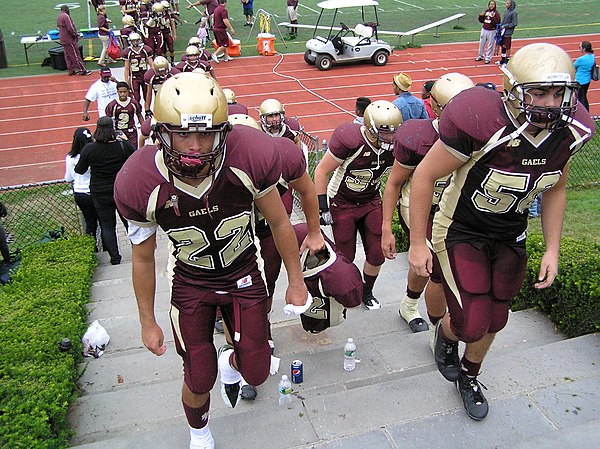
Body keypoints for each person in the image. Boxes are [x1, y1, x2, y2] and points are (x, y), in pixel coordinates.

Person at [113, 72, 308, 449]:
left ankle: (231, 364)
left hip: (243, 272)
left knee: (257, 372)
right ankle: (199, 432)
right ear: (161, 133)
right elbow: (141, 259)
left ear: (224, 132)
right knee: (198, 376)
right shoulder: (140, 180)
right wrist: (146, 320)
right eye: (184, 134)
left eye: (205, 134)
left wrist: (296, 282)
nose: (195, 146)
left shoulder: (249, 154)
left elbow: (281, 220)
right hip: (191, 282)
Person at [407, 43, 594, 421]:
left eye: (559, 93)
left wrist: (553, 249)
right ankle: (446, 334)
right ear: (513, 90)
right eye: (539, 92)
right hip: (462, 228)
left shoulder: (569, 132)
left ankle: (470, 377)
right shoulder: (482, 121)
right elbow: (425, 175)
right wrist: (416, 242)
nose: (550, 104)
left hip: (510, 230)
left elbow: (556, 186)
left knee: (497, 318)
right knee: (471, 321)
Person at [381, 73, 475, 340]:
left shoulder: (481, 135)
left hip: (455, 207)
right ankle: (439, 332)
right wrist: (387, 227)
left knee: (427, 264)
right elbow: (394, 184)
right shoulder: (417, 136)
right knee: (437, 268)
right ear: (436, 108)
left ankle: (409, 304)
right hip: (420, 206)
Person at [314, 100, 403, 310]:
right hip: (342, 202)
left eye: (394, 131)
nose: (392, 137)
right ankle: (345, 288)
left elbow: (402, 177)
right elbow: (320, 171)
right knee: (347, 256)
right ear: (372, 129)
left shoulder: (394, 147)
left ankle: (367, 291)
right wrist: (323, 207)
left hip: (371, 200)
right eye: (386, 131)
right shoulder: (351, 140)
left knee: (376, 254)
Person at [75, 116, 136, 265]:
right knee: (130, 223)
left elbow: (80, 170)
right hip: (120, 190)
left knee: (107, 226)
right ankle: (139, 252)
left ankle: (115, 257)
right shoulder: (123, 146)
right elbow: (135, 161)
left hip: (100, 192)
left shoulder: (89, 149)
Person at [64, 128, 101, 245]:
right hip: (97, 191)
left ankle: (92, 249)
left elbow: (68, 178)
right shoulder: (95, 153)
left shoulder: (70, 158)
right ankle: (109, 250)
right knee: (105, 224)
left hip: (81, 193)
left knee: (90, 224)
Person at [105, 81, 144, 149]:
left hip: (131, 131)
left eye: (124, 92)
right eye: (120, 92)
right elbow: (109, 119)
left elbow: (139, 115)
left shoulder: (133, 103)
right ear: (117, 92)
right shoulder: (113, 105)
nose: (123, 94)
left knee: (133, 150)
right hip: (118, 131)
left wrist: (144, 128)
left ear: (128, 91)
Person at [56, 5, 91, 76]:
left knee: (68, 56)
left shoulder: (59, 16)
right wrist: (75, 34)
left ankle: (71, 70)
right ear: (67, 9)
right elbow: (70, 28)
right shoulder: (66, 16)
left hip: (63, 39)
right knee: (75, 55)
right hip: (69, 39)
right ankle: (82, 70)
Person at [122, 32, 154, 104]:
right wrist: (126, 81)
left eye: (136, 40)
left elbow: (151, 65)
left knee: (147, 96)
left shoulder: (146, 49)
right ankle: (138, 111)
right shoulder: (127, 52)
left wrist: (152, 76)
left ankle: (147, 111)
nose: (135, 42)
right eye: (133, 41)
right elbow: (126, 68)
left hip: (145, 76)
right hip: (134, 77)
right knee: (136, 97)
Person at [574, 41, 595, 111]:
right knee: (584, 97)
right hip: (587, 80)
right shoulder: (592, 56)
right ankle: (587, 112)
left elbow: (573, 66)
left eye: (580, 47)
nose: (579, 48)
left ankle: (583, 114)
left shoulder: (581, 59)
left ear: (584, 49)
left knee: (580, 99)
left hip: (580, 81)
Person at [496, 0, 517, 66]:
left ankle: (507, 61)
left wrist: (505, 26)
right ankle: (503, 59)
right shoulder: (506, 12)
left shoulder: (514, 13)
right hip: (503, 32)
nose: (506, 4)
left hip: (508, 33)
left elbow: (514, 23)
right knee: (503, 46)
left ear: (511, 5)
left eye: (507, 3)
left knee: (507, 47)